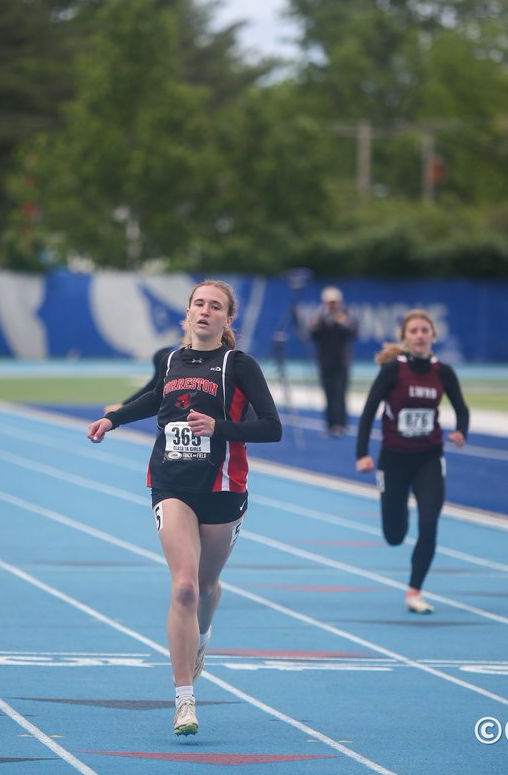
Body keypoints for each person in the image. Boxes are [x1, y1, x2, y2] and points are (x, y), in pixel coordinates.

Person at [86, 280, 281, 737]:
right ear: (187, 313)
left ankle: (203, 640)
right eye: (198, 304)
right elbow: (157, 397)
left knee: (209, 585)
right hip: (171, 482)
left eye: (216, 307)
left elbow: (271, 428)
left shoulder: (240, 365)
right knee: (186, 588)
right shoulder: (172, 360)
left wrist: (219, 427)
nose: (205, 311)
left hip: (223, 486)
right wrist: (112, 419)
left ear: (227, 319)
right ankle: (184, 702)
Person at [355, 309, 469, 615]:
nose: (419, 335)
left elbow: (462, 408)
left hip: (429, 458)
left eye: (424, 330)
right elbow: (368, 411)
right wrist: (362, 453)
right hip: (393, 460)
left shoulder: (443, 372)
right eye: (414, 331)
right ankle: (398, 503)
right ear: (406, 338)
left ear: (433, 336)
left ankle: (415, 591)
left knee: (429, 521)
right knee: (394, 535)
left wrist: (461, 431)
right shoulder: (393, 369)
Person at [308, 286, 357, 436]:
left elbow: (352, 333)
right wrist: (314, 326)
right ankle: (330, 425)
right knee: (328, 393)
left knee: (340, 393)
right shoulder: (320, 317)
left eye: (334, 302)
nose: (332, 305)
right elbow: (313, 335)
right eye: (329, 302)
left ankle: (341, 424)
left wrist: (341, 323)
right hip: (325, 361)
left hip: (341, 362)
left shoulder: (347, 316)